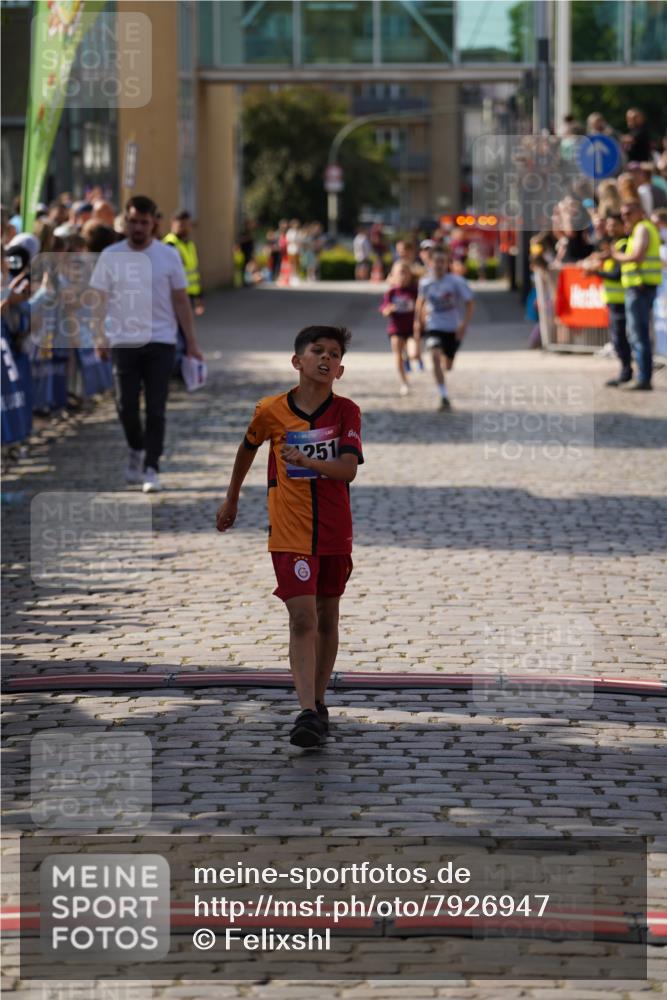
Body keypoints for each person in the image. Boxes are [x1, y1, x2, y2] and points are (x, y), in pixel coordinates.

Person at [215, 326, 363, 749]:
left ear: (340, 369)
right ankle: (304, 711)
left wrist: (306, 461)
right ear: (296, 361)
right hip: (289, 531)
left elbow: (348, 470)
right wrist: (232, 500)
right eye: (317, 351)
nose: (325, 359)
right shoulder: (271, 410)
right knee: (302, 617)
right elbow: (247, 448)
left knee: (328, 616)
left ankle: (318, 701)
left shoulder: (347, 412)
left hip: (334, 530)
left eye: (334, 355)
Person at [89, 194, 204, 492]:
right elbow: (98, 300)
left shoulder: (168, 255)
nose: (138, 227)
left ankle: (152, 466)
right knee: (125, 406)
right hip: (123, 341)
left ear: (154, 222)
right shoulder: (111, 255)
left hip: (161, 341)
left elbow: (181, 300)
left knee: (156, 407)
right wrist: (99, 335)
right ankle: (136, 449)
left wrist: (191, 341)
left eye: (143, 221)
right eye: (133, 221)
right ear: (125, 222)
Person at [414, 246, 474, 411]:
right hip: (433, 325)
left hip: (452, 328)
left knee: (447, 365)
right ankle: (443, 395)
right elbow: (421, 301)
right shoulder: (425, 282)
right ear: (430, 262)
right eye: (436, 261)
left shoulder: (456, 282)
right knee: (434, 355)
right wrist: (418, 321)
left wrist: (464, 324)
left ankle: (446, 360)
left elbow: (469, 303)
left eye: (442, 261)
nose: (439, 265)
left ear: (447, 263)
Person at [612, 200, 662, 390]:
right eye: (623, 214)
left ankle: (643, 378)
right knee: (638, 334)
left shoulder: (642, 228)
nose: (625, 217)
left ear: (640, 212)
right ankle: (642, 376)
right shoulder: (640, 228)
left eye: (628, 213)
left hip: (639, 289)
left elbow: (637, 257)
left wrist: (616, 255)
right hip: (640, 288)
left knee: (638, 335)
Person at [584, 214, 632, 386]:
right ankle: (626, 371)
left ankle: (628, 372)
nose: (610, 228)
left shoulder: (623, 245)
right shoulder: (613, 246)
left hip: (622, 299)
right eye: (609, 225)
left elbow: (617, 275)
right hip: (614, 300)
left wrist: (596, 272)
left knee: (622, 338)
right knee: (619, 338)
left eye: (614, 225)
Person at [380, 261, 420, 396]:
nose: (402, 276)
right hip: (396, 328)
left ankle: (408, 356)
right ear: (394, 275)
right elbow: (384, 308)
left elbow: (422, 305)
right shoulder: (391, 292)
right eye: (399, 273)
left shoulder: (415, 290)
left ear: (410, 274)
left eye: (405, 272)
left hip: (411, 329)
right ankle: (404, 383)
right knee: (397, 354)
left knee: (414, 354)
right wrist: (388, 310)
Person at [163, 210, 204, 317]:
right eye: (181, 225)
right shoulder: (169, 244)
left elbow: (194, 272)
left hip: (189, 295)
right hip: (174, 295)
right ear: (173, 224)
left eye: (188, 225)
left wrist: (199, 296)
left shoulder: (189, 244)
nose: (185, 228)